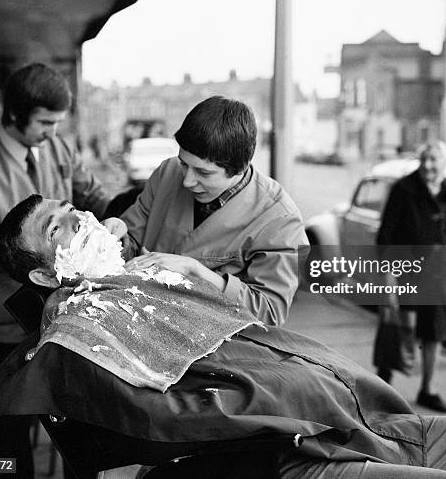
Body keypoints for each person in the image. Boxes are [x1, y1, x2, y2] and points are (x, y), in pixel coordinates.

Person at [0, 193, 446, 479]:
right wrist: (292, 418)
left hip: (345, 413)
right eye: (59, 227)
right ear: (44, 274)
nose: (84, 219)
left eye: (73, 209)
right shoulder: (76, 336)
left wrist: (197, 276)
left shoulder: (146, 276)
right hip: (280, 455)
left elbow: (260, 322)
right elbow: (162, 426)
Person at [0, 63, 111, 477]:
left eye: (57, 123)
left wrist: (114, 222)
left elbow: (93, 193)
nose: (52, 131)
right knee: (12, 419)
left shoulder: (60, 148)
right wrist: (31, 250)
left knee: (68, 408)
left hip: (62, 309)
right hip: (3, 314)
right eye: (45, 122)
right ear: (15, 114)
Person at [113, 96, 308, 326]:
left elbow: (269, 312)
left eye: (203, 173)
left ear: (240, 167)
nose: (187, 181)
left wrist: (195, 271)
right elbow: (131, 240)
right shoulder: (167, 172)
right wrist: (114, 236)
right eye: (184, 163)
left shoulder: (279, 219)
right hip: (134, 316)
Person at [376, 140, 446, 413]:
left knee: (434, 333)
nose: (428, 165)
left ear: (444, 163)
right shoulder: (404, 189)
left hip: (439, 277)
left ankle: (427, 390)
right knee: (398, 329)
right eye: (424, 159)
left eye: (433, 160)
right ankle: (382, 386)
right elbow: (385, 235)